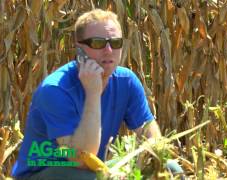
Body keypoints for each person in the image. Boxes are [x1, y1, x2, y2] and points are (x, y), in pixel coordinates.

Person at [11, 9, 164, 179]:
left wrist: (137, 164)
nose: (108, 50)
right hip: (45, 170)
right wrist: (93, 93)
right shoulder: (55, 89)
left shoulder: (126, 81)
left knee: (168, 166)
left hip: (93, 169)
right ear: (79, 48)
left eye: (115, 43)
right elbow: (81, 158)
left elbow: (153, 136)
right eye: (98, 43)